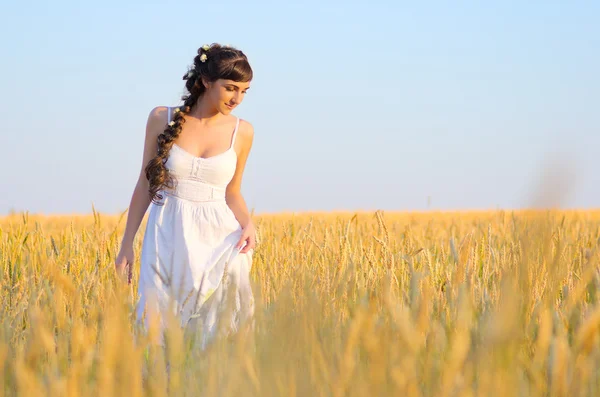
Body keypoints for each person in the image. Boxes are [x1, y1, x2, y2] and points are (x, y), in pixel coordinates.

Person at [115, 43, 256, 348]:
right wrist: (127, 243)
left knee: (215, 332)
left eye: (244, 91)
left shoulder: (242, 132)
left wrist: (248, 224)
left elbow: (232, 192)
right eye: (230, 87)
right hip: (168, 233)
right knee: (159, 327)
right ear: (206, 81)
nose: (237, 98)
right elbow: (144, 183)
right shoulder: (161, 118)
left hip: (220, 241)